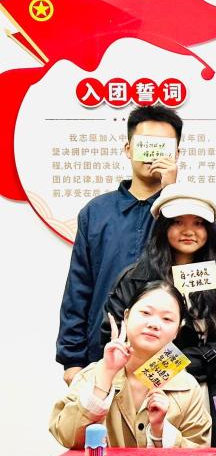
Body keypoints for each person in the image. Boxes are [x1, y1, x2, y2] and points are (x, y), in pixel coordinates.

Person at [103, 185, 216, 446]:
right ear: (163, 227)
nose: (188, 231)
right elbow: (115, 335)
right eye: (178, 222)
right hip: (150, 389)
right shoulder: (135, 278)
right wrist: (168, 368)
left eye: (198, 223)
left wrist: (180, 362)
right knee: (152, 455)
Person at [56, 105, 181, 384]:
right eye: (147, 145)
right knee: (102, 413)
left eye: (163, 147)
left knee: (160, 413)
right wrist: (72, 360)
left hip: (169, 357)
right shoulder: (96, 212)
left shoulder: (189, 213)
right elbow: (78, 288)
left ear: (176, 155)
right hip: (103, 352)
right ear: (128, 149)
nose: (154, 154)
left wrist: (171, 195)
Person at [50, 280, 211, 448]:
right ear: (126, 316)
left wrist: (160, 432)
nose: (154, 324)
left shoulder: (187, 387)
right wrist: (105, 377)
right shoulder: (92, 374)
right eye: (146, 313)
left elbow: (199, 453)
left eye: (167, 319)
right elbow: (67, 436)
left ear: (178, 330)